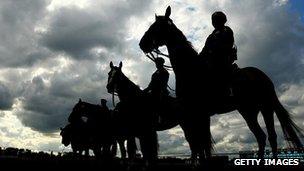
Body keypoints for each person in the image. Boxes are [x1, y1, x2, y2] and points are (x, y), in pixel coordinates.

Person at [199, 11, 237, 98]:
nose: (214, 22)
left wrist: (212, 52)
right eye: (213, 20)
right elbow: (205, 49)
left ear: (223, 21)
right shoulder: (211, 35)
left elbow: (227, 45)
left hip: (223, 58)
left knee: (218, 69)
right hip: (211, 59)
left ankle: (229, 90)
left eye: (216, 20)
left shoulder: (227, 30)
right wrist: (199, 57)